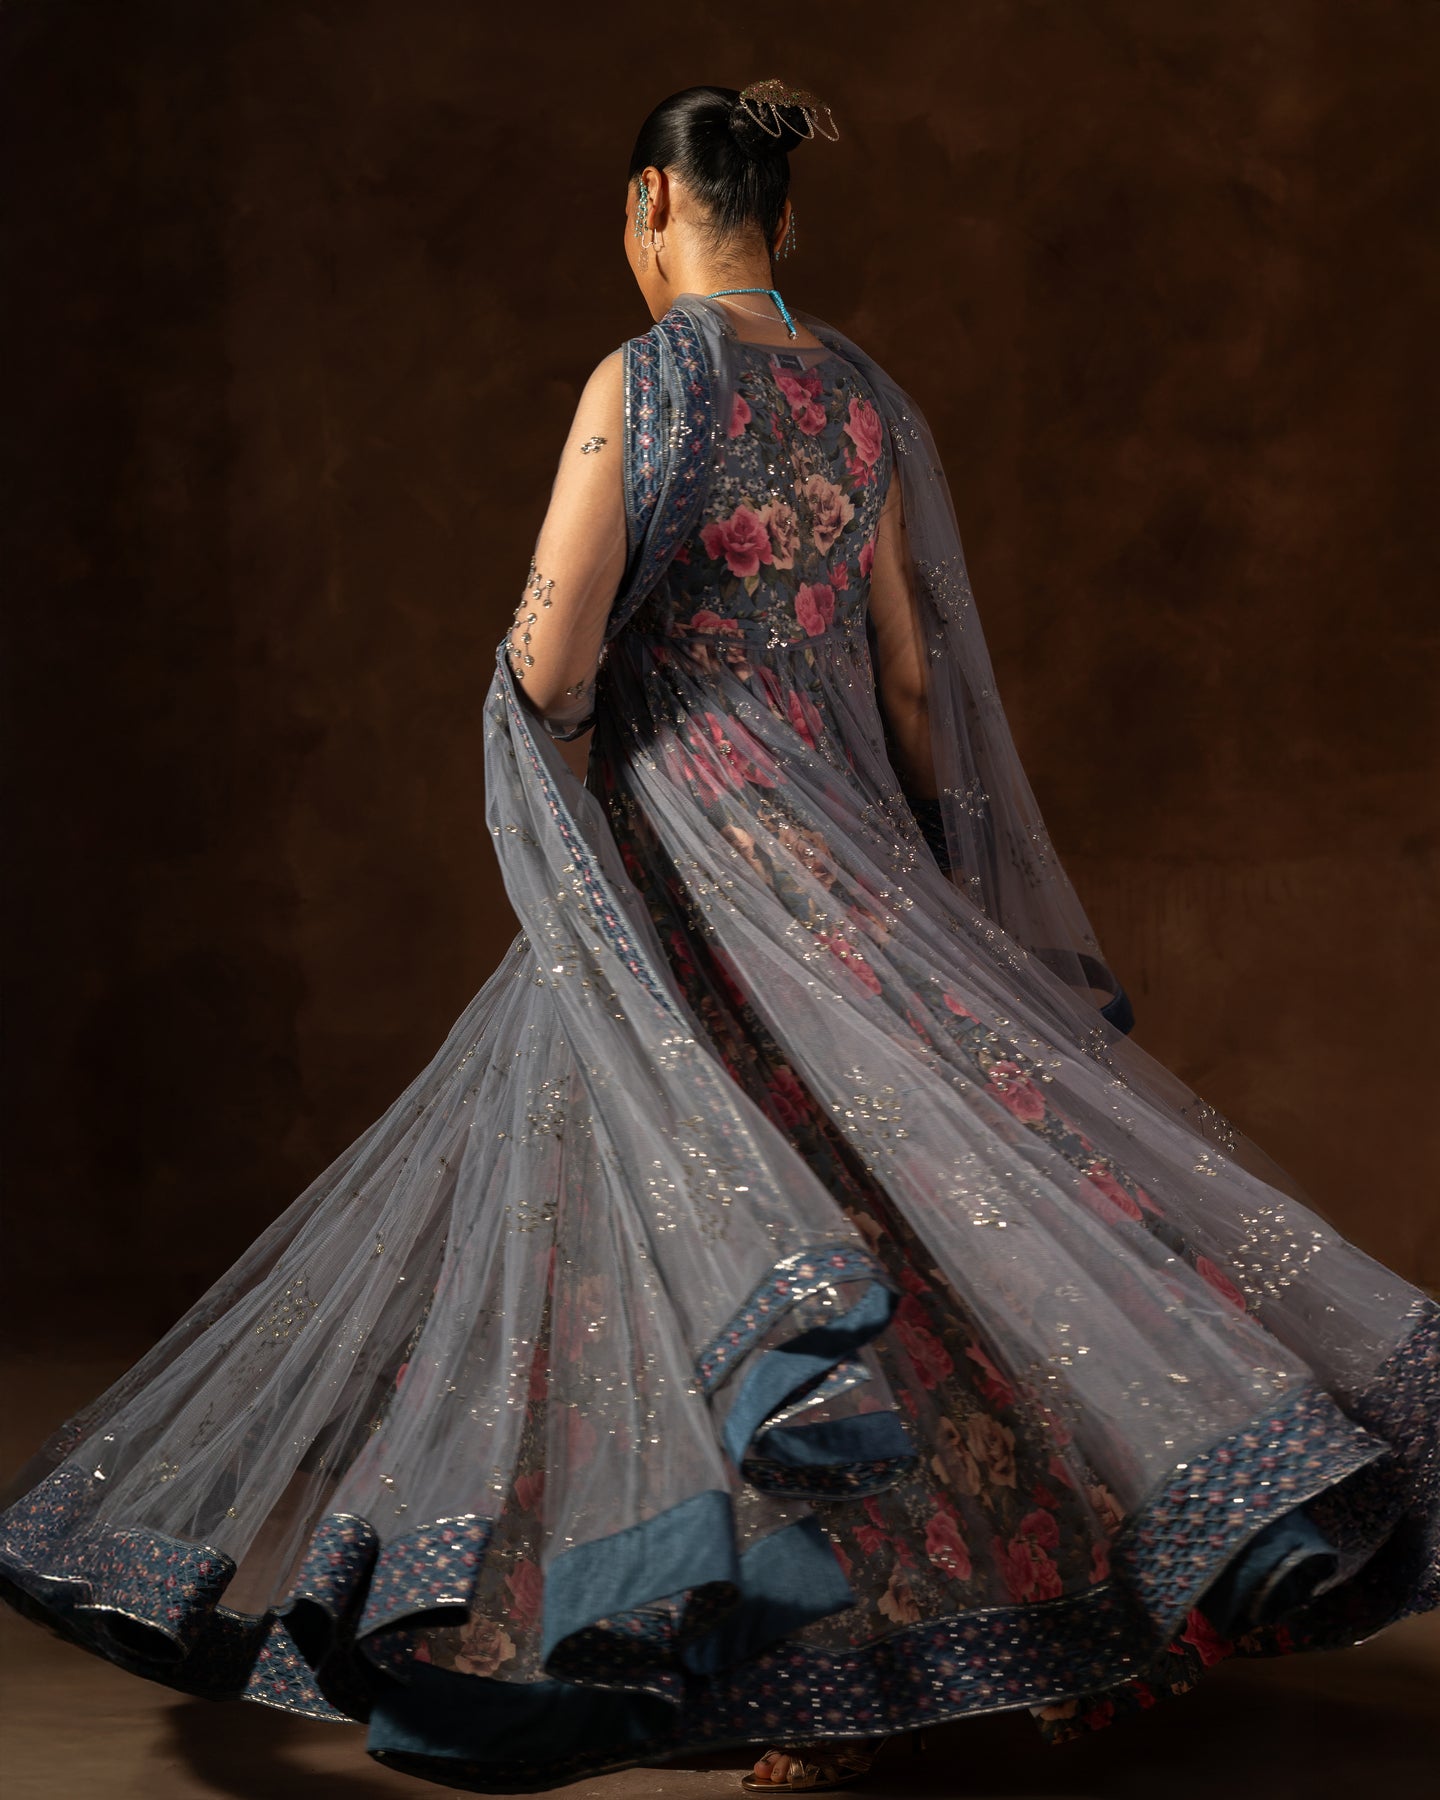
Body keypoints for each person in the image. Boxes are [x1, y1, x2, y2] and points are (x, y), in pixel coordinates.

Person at [1, 79, 1435, 1800]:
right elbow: (916, 679)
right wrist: (936, 903)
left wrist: (575, 737)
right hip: (859, 869)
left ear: (646, 208)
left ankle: (800, 1665)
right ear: (785, 219)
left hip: (696, 870)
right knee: (943, 1215)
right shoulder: (866, 402)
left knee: (725, 1237)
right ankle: (1078, 1621)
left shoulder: (643, 382)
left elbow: (550, 662)